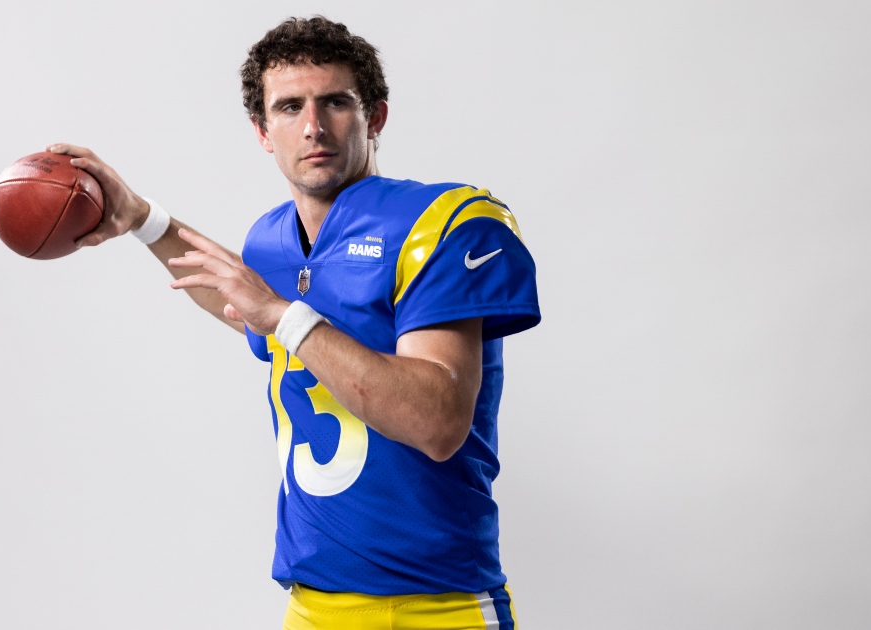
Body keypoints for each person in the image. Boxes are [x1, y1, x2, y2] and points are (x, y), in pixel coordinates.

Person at [49, 16, 539, 630]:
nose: (313, 126)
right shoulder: (273, 242)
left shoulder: (441, 220)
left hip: (437, 605)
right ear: (262, 131)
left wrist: (282, 313)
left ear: (375, 117)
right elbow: (245, 308)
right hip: (311, 603)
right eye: (288, 107)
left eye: (335, 101)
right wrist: (143, 219)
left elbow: (437, 422)